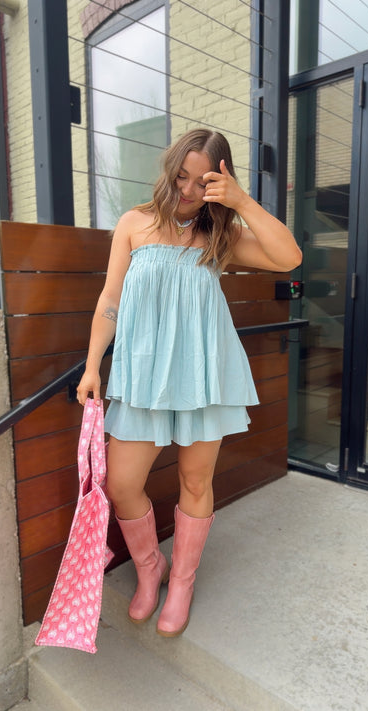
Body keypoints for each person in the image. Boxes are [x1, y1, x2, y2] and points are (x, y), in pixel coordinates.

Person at [77, 128, 302, 637]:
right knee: (121, 484)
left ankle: (181, 579)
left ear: (219, 184)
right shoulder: (134, 223)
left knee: (196, 481)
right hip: (143, 375)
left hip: (203, 374)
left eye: (203, 182)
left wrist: (241, 201)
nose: (187, 190)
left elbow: (289, 257)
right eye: (181, 176)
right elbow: (110, 298)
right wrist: (92, 365)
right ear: (169, 169)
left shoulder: (221, 236)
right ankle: (150, 566)